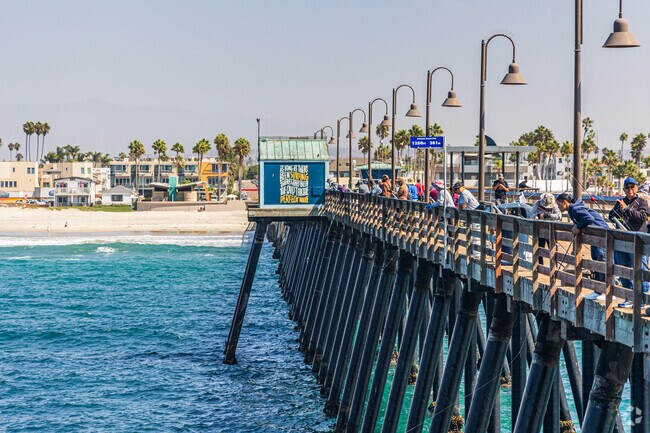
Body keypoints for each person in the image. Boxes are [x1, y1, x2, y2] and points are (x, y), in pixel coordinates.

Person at [608, 177, 650, 304]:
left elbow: (643, 217)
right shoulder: (620, 201)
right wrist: (619, 214)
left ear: (636, 188)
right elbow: (611, 215)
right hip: (622, 241)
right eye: (627, 187)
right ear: (624, 189)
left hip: (637, 241)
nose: (630, 189)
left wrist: (627, 209)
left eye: (632, 187)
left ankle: (644, 300)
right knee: (623, 268)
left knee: (640, 269)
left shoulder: (642, 202)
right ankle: (630, 297)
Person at [556, 193, 609, 283]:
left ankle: (605, 288)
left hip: (601, 234)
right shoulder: (573, 209)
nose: (558, 207)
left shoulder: (574, 208)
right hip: (595, 235)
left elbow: (589, 219)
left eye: (559, 204)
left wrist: (578, 227)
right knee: (595, 258)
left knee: (601, 259)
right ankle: (598, 289)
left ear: (565, 202)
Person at [531, 193, 562, 264]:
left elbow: (559, 215)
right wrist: (538, 216)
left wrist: (549, 215)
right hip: (540, 230)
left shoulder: (554, 205)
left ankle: (554, 266)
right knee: (539, 248)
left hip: (550, 231)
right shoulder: (538, 204)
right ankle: (540, 266)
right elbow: (532, 214)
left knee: (553, 249)